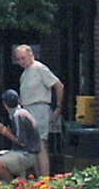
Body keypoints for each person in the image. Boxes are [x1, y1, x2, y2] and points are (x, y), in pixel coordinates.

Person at [12, 44, 63, 176]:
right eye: (18, 59)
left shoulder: (39, 68)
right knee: (32, 146)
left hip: (39, 107)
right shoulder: (25, 73)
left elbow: (58, 85)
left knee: (40, 143)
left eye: (23, 58)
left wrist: (58, 107)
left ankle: (45, 177)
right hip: (27, 109)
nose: (21, 61)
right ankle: (38, 177)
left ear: (31, 55)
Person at [0, 89, 43, 183]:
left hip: (26, 153)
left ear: (4, 104)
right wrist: (4, 130)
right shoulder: (16, 114)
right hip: (18, 151)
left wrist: (4, 132)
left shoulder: (18, 115)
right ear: (19, 100)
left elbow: (22, 142)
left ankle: (14, 187)